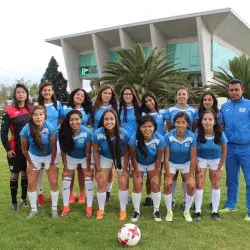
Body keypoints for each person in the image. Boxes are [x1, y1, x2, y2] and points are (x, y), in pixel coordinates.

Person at [219, 79, 250, 221]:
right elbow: (220, 127)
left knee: (249, 180)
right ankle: (231, 204)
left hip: (246, 148)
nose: (234, 92)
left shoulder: (249, 105)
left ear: (242, 89)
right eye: (231, 90)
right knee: (231, 179)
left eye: (236, 89)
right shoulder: (225, 107)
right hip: (230, 148)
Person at [20, 105, 59, 218]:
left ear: (45, 116)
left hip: (49, 155)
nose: (38, 117)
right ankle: (33, 209)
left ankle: (54, 209)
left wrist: (52, 163)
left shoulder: (50, 128)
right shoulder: (26, 129)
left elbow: (54, 148)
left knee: (53, 181)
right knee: (31, 182)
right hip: (34, 156)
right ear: (31, 116)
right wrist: (31, 164)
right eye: (35, 114)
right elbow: (24, 149)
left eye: (41, 114)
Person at [93, 109, 129, 220]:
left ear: (116, 120)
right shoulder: (97, 133)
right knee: (101, 181)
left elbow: (127, 152)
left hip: (120, 157)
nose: (109, 122)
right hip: (105, 157)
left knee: (123, 181)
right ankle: (101, 210)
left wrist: (125, 168)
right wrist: (98, 169)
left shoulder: (123, 133)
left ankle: (123, 210)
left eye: (111, 119)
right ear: (103, 121)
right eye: (106, 119)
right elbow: (95, 152)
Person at [165, 87, 198, 209]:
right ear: (176, 96)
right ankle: (172, 200)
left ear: (188, 96)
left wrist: (188, 137)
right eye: (179, 94)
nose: (182, 96)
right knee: (172, 176)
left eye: (184, 94)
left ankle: (186, 200)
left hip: (187, 145)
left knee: (187, 177)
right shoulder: (170, 110)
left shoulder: (193, 111)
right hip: (174, 144)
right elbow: (169, 127)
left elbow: (193, 126)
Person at [1, 84, 31, 211]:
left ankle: (23, 198)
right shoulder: (9, 111)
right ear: (15, 95)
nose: (20, 94)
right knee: (15, 174)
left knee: (26, 173)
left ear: (26, 94)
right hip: (15, 149)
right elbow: (3, 133)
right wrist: (8, 150)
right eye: (18, 92)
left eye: (23, 92)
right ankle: (14, 202)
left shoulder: (31, 109)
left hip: (29, 149)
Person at [129, 115, 165, 222]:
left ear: (154, 127)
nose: (147, 129)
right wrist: (137, 174)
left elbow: (159, 159)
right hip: (138, 163)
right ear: (140, 128)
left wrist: (155, 174)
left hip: (153, 163)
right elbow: (133, 157)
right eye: (144, 126)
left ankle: (156, 210)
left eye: (150, 126)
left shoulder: (160, 139)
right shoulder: (133, 139)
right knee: (137, 183)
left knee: (155, 183)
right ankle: (136, 211)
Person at [59, 110, 93, 217]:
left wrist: (87, 169)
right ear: (68, 121)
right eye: (72, 119)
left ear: (81, 120)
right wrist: (65, 168)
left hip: (84, 158)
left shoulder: (87, 133)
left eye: (77, 119)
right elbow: (63, 152)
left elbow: (88, 153)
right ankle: (66, 207)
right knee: (65, 179)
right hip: (71, 157)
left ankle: (89, 207)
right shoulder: (63, 132)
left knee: (88, 179)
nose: (74, 122)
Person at [194, 110, 227, 221]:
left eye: (210, 119)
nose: (207, 122)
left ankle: (215, 211)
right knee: (199, 183)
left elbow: (224, 151)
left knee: (216, 183)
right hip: (201, 159)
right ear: (201, 121)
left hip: (216, 160)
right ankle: (197, 211)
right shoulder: (198, 133)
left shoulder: (220, 133)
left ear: (214, 121)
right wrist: (197, 165)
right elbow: (194, 150)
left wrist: (219, 168)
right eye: (205, 119)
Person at [62, 88, 93, 205]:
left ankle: (81, 193)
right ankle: (71, 193)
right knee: (71, 170)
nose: (79, 97)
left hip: (83, 142)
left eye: (82, 95)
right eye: (77, 94)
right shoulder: (66, 110)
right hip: (70, 141)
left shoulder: (87, 110)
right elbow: (61, 122)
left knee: (81, 169)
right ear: (73, 96)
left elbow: (91, 123)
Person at [163, 112, 196, 222]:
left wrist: (191, 177)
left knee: (191, 185)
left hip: (186, 162)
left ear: (187, 124)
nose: (180, 125)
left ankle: (186, 211)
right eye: (178, 122)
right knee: (167, 184)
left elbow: (193, 157)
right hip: (171, 162)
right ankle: (169, 211)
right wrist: (168, 177)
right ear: (174, 123)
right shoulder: (168, 136)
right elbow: (166, 157)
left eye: (183, 122)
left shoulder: (192, 136)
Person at [35, 82, 63, 206]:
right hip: (38, 141)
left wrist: (54, 128)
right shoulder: (36, 105)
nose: (47, 92)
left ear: (52, 92)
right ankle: (40, 194)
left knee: (53, 169)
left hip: (53, 141)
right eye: (44, 90)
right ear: (41, 92)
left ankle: (53, 195)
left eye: (49, 90)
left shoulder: (58, 105)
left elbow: (62, 118)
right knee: (39, 170)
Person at [93, 85, 118, 202]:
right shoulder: (95, 107)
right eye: (105, 93)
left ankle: (108, 191)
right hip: (98, 139)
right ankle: (100, 190)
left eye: (109, 93)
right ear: (100, 94)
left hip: (112, 140)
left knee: (111, 169)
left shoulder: (114, 107)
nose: (107, 95)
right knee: (99, 168)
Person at [141, 91, 166, 206]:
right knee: (148, 174)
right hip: (147, 147)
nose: (149, 103)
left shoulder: (163, 113)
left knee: (157, 173)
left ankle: (156, 195)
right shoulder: (143, 115)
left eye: (150, 100)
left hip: (160, 146)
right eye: (146, 101)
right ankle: (148, 196)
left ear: (155, 100)